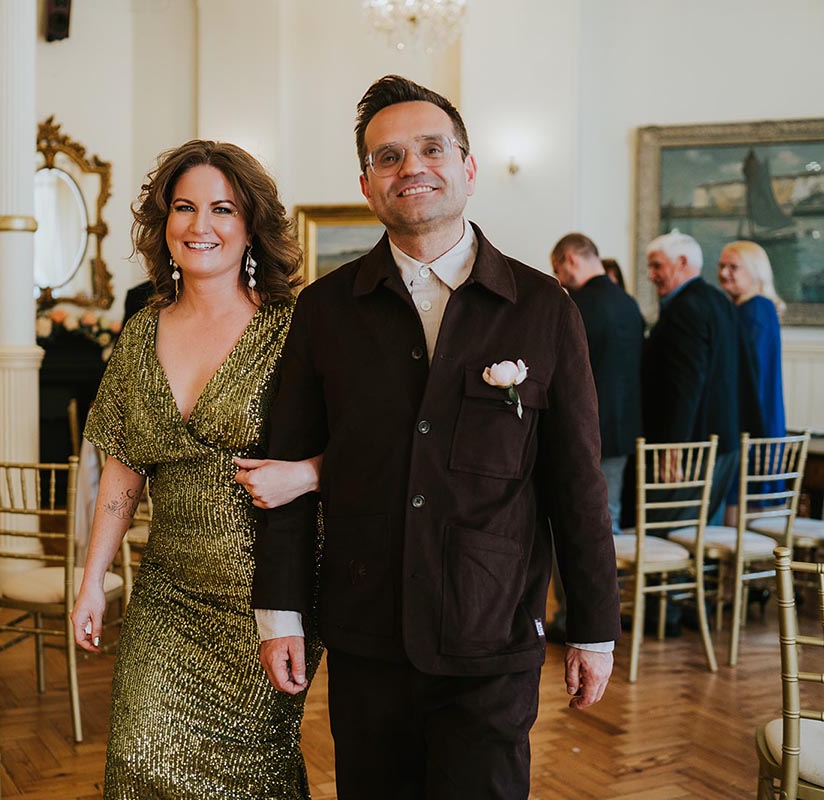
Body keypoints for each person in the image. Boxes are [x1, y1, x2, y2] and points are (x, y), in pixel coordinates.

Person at [251, 75, 620, 799]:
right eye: (387, 157)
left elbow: (576, 482)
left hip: (493, 631)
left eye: (431, 149)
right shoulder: (325, 310)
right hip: (365, 631)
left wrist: (593, 627)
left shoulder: (543, 308)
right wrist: (279, 614)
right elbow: (286, 471)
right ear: (367, 185)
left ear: (468, 168)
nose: (411, 167)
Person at [70, 140, 323, 799]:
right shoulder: (139, 333)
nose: (199, 225)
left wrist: (307, 474)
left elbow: (368, 446)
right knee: (138, 759)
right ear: (165, 224)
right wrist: (92, 580)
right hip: (167, 592)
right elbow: (122, 472)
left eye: (222, 209)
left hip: (268, 595)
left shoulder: (295, 329)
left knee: (249, 777)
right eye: (184, 208)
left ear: (251, 228)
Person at [642, 231, 762, 523]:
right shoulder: (720, 301)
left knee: (672, 532)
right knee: (702, 534)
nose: (651, 275)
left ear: (682, 262)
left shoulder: (685, 308)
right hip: (725, 441)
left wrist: (674, 446)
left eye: (657, 266)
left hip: (692, 448)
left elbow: (684, 384)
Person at [551, 233, 644, 535]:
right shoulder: (629, 304)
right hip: (623, 425)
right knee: (609, 513)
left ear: (571, 260)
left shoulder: (575, 306)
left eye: (557, 270)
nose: (559, 279)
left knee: (581, 517)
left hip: (585, 424)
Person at [718, 240, 786, 515]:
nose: (724, 273)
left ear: (756, 271)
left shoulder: (754, 310)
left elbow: (748, 376)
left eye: (733, 267)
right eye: (721, 266)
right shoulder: (754, 309)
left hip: (750, 421)